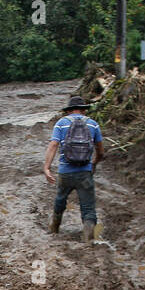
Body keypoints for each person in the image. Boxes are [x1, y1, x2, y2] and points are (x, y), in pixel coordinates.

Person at [42, 95, 105, 243]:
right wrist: (93, 164)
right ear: (83, 110)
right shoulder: (93, 124)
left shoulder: (61, 123)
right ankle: (89, 240)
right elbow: (101, 152)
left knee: (60, 199)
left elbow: (53, 145)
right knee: (88, 208)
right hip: (85, 172)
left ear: (69, 110)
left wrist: (46, 168)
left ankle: (54, 229)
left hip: (65, 172)